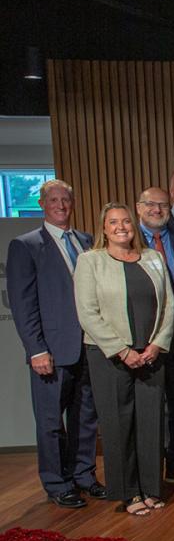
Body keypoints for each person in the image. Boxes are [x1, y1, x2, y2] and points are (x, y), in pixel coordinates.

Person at [7, 180, 104, 509]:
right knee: (51, 423)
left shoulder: (86, 241)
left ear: (72, 202)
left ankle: (84, 475)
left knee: (85, 417)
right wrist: (36, 349)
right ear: (42, 203)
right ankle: (56, 483)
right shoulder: (26, 245)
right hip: (50, 351)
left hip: (87, 348)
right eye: (53, 199)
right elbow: (23, 304)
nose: (60, 205)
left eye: (65, 199)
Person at [75, 203, 174, 515]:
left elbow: (169, 305)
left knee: (150, 422)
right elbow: (87, 313)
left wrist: (158, 344)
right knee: (119, 425)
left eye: (126, 222)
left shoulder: (153, 258)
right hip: (109, 356)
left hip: (150, 354)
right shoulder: (90, 261)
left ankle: (150, 487)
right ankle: (128, 492)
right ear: (103, 229)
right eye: (113, 222)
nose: (121, 227)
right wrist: (122, 350)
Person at [136, 186, 174, 486]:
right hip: (144, 336)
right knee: (149, 403)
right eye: (150, 204)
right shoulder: (128, 242)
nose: (156, 210)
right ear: (138, 207)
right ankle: (147, 468)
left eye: (162, 206)